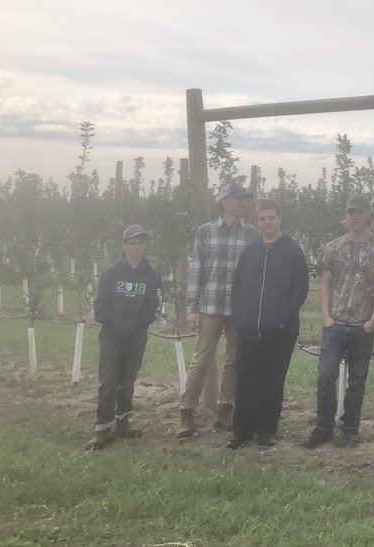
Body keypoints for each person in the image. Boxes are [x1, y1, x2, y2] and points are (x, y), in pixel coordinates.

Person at [303, 195, 374, 448]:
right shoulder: (332, 247)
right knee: (325, 376)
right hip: (336, 325)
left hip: (363, 325)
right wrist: (326, 318)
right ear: (346, 215)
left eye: (359, 212)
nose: (354, 217)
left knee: (357, 380)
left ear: (369, 216)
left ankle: (350, 427)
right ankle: (323, 427)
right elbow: (326, 283)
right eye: (351, 212)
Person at [178, 181, 261, 438]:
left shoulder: (253, 236)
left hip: (239, 308)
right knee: (201, 359)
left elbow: (256, 275)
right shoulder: (205, 232)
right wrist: (192, 308)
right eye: (237, 198)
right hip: (210, 306)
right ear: (224, 201)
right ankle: (186, 413)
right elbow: (197, 272)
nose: (242, 203)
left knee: (234, 361)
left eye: (244, 199)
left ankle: (226, 410)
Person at [227, 199, 309, 449]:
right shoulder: (250, 251)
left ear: (279, 219)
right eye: (262, 218)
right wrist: (241, 318)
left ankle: (266, 430)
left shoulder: (292, 251)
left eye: (271, 217)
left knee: (272, 381)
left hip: (280, 331)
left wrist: (283, 318)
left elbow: (300, 289)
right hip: (249, 329)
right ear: (258, 220)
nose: (267, 222)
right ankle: (242, 431)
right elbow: (238, 287)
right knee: (245, 380)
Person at [86, 224, 163, 450]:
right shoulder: (111, 273)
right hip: (111, 336)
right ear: (124, 245)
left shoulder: (152, 274)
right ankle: (102, 430)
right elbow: (100, 306)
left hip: (137, 337)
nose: (136, 248)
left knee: (128, 381)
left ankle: (123, 423)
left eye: (140, 243)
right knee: (109, 382)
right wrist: (117, 324)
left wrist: (138, 324)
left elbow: (156, 305)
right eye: (132, 243)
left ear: (144, 246)